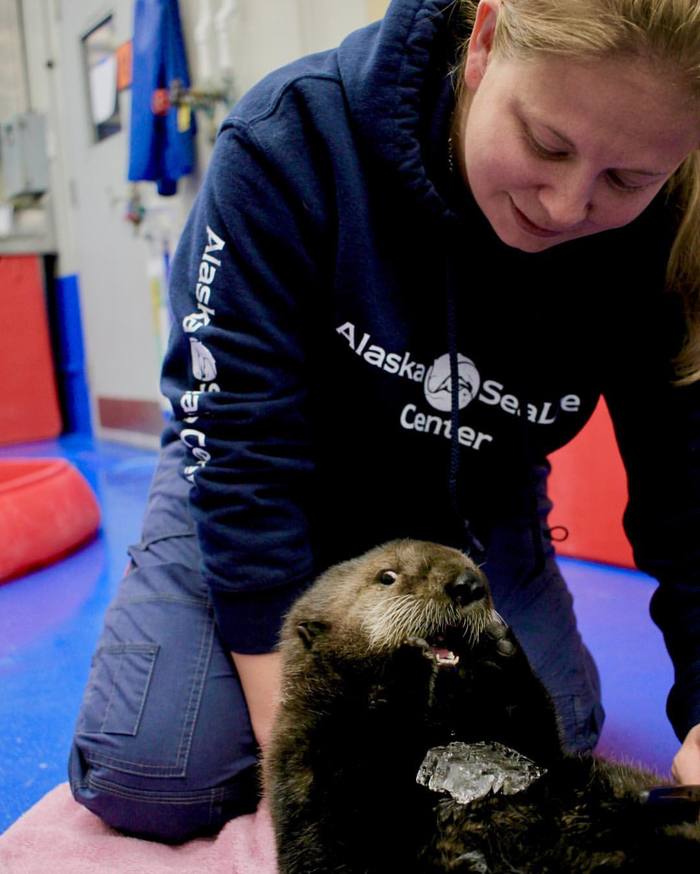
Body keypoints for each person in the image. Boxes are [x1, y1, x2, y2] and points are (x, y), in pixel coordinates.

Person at [69, 0, 700, 843]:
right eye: (547, 143)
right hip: (266, 482)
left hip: (470, 500)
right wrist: (304, 757)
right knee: (153, 772)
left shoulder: (671, 225)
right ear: (482, 43)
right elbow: (240, 454)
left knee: (547, 747)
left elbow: (689, 495)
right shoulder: (287, 143)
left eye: (627, 180)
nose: (564, 203)